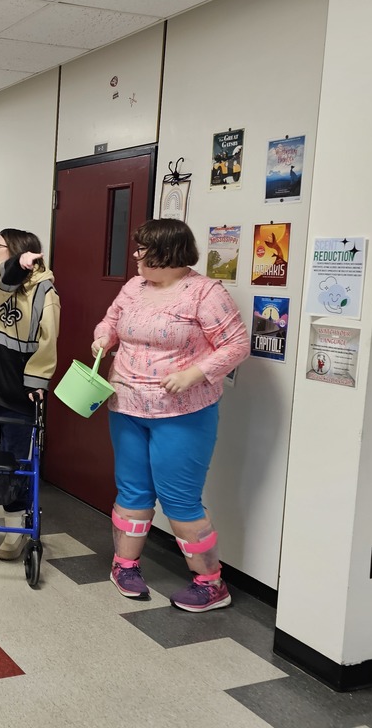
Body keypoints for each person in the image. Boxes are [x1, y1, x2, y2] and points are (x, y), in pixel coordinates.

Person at [91, 218, 248, 613]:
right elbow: (111, 320)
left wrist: (196, 373)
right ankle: (124, 566)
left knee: (180, 500)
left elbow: (236, 344)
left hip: (183, 412)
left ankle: (211, 584)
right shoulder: (134, 287)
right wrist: (103, 336)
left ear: (167, 251)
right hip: (126, 405)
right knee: (132, 490)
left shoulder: (205, 292)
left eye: (143, 249)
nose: (136, 256)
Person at [0, 229, 60, 560]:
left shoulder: (46, 292)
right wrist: (17, 264)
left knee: (16, 458)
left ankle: (15, 524)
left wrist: (38, 381)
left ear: (17, 249)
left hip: (20, 392)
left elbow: (49, 342)